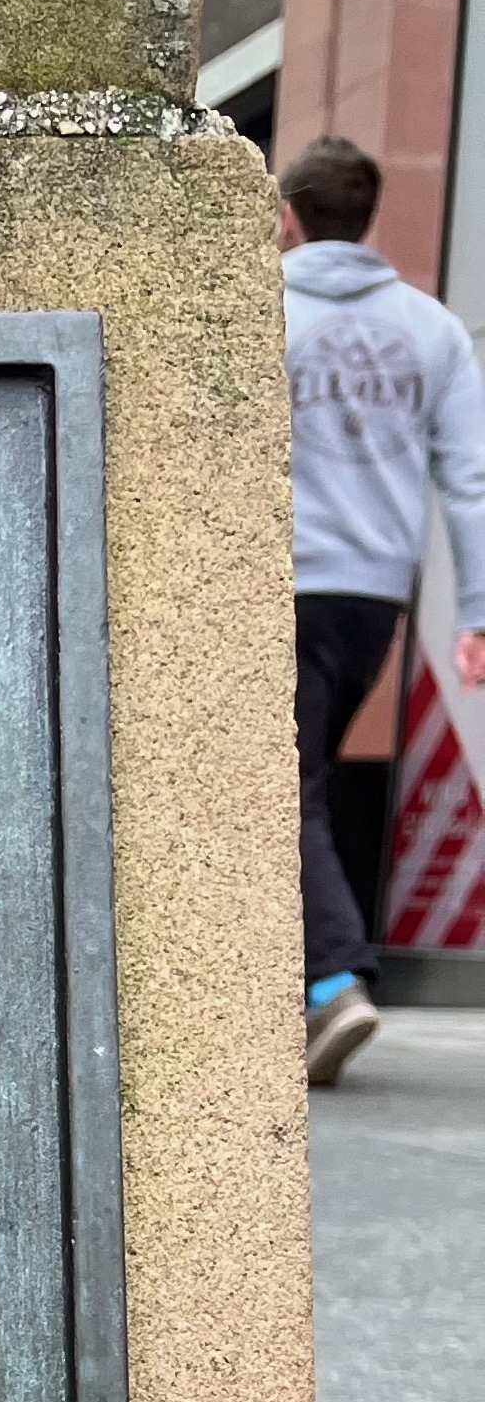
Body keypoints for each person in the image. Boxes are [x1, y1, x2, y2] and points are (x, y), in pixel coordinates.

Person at [283, 135, 485, 1083]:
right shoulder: (432, 329)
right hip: (374, 596)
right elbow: (470, 480)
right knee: (303, 776)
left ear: (288, 215)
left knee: (288, 784)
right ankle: (308, 986)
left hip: (283, 579)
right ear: (366, 220)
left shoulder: (259, 310)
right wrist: (475, 612)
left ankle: (333, 981)